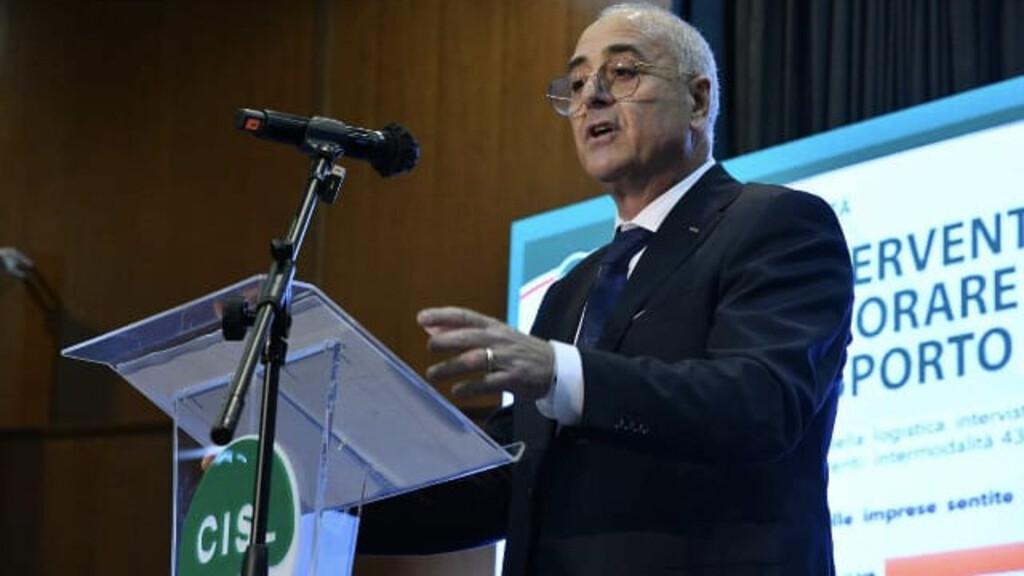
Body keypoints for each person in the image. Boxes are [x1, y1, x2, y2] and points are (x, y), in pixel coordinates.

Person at [358, 4, 853, 575]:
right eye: (575, 84)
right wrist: (327, 498)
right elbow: (505, 483)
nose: (590, 97)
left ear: (698, 101)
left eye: (622, 72)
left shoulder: (777, 225)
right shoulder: (570, 290)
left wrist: (561, 373)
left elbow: (758, 403)